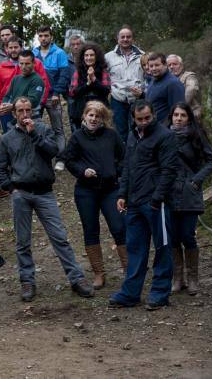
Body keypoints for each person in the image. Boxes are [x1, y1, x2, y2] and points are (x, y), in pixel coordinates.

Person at [0, 98, 94, 302]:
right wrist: (11, 188)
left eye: (28, 110)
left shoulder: (44, 130)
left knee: (59, 237)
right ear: (14, 114)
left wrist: (34, 134)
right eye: (20, 111)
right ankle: (27, 281)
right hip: (21, 193)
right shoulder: (7, 139)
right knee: (23, 241)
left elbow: (53, 151)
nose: (24, 114)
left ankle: (76, 278)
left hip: (45, 193)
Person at [109, 101, 178, 310]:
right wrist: (123, 194)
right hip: (135, 201)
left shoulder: (165, 136)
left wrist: (157, 199)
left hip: (156, 202)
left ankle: (159, 292)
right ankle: (130, 293)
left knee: (162, 247)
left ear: (153, 115)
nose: (144, 122)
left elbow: (169, 170)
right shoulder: (132, 135)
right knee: (135, 248)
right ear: (133, 118)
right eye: (140, 119)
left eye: (147, 118)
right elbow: (128, 166)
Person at [59, 101, 126, 289]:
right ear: (84, 116)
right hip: (86, 191)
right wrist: (82, 171)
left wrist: (115, 171)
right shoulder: (77, 137)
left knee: (119, 227)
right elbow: (68, 160)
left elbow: (124, 158)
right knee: (91, 229)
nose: (94, 119)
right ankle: (99, 273)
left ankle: (129, 270)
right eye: (91, 115)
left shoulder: (112, 136)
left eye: (98, 116)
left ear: (103, 118)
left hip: (110, 189)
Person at [168, 102, 212, 296]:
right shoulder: (164, 136)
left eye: (183, 115)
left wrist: (196, 180)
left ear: (189, 118)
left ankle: (193, 278)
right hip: (169, 192)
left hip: (189, 192)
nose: (178, 118)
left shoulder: (196, 135)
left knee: (188, 235)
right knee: (172, 237)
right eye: (176, 115)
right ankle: (177, 277)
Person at [33, 26, 70, 155]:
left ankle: (61, 157)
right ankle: (39, 155)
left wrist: (56, 93)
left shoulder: (59, 53)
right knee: (35, 126)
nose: (43, 38)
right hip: (36, 97)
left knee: (58, 128)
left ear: (51, 37)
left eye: (46, 35)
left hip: (52, 97)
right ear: (38, 37)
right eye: (41, 36)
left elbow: (64, 75)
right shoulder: (33, 53)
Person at [105, 28, 145, 143]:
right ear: (118, 39)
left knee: (137, 130)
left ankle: (136, 156)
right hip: (118, 99)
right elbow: (103, 76)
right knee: (120, 131)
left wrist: (143, 92)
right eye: (122, 37)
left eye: (128, 37)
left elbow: (148, 76)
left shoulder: (142, 55)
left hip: (137, 99)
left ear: (133, 39)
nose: (125, 39)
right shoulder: (108, 57)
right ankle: (123, 158)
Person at [68, 43, 111, 129]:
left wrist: (94, 79)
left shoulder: (103, 72)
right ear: (83, 57)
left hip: (100, 109)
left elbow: (106, 91)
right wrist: (87, 84)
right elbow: (73, 93)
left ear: (96, 56)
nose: (89, 58)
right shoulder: (78, 73)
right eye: (86, 55)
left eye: (92, 55)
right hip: (81, 110)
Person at [0, 50, 47, 125]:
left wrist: (13, 106)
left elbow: (33, 101)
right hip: (15, 117)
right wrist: (3, 106)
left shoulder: (37, 80)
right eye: (21, 63)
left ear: (34, 63)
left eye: (27, 64)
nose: (24, 67)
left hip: (31, 118)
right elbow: (7, 96)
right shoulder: (16, 78)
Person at [145, 52, 185, 125]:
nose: (153, 68)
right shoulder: (153, 81)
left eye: (157, 65)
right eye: (151, 66)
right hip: (152, 127)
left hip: (164, 130)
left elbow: (178, 111)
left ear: (165, 65)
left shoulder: (173, 84)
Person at [166, 55, 202, 120]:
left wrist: (180, 107)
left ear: (181, 66)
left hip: (191, 116)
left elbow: (192, 88)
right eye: (169, 65)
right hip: (175, 118)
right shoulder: (167, 80)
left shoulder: (189, 76)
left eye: (175, 64)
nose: (171, 67)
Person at [64, 34, 85, 130]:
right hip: (71, 96)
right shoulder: (65, 60)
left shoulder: (88, 57)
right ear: (70, 46)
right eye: (73, 44)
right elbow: (63, 77)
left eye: (78, 44)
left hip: (85, 95)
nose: (76, 46)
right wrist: (67, 95)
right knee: (73, 121)